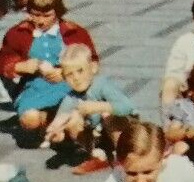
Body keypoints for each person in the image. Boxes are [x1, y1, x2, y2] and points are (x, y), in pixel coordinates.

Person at [0, 0, 98, 138]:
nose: (40, 21)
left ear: (58, 12)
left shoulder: (73, 32)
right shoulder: (20, 33)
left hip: (68, 87)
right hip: (34, 88)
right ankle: (51, 123)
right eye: (35, 14)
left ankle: (64, 127)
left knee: (75, 121)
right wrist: (21, 66)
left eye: (47, 16)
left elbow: (93, 63)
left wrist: (66, 72)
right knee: (30, 120)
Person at [44, 43, 137, 174]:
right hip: (99, 136)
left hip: (126, 130)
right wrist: (56, 131)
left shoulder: (102, 85)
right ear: (64, 78)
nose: (76, 78)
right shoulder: (71, 97)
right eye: (70, 75)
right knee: (72, 118)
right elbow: (62, 116)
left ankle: (125, 154)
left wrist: (99, 106)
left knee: (108, 115)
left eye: (80, 70)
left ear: (93, 68)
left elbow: (127, 107)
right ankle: (96, 154)